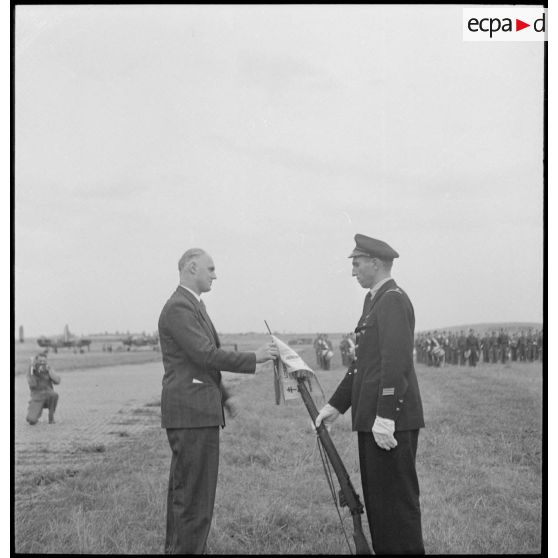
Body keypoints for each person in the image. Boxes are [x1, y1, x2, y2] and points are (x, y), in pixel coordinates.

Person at [158, 248, 278, 554]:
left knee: (189, 494)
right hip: (191, 414)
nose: (215, 274)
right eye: (210, 269)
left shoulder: (193, 306)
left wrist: (225, 398)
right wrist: (255, 358)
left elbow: (203, 365)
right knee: (193, 498)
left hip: (198, 411)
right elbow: (205, 355)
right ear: (191, 268)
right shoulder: (179, 308)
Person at [315, 234, 425, 555]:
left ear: (376, 264)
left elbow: (396, 363)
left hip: (389, 423)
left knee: (397, 508)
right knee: (379, 505)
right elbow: (361, 366)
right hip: (373, 421)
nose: (353, 272)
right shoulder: (374, 300)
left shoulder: (393, 299)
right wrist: (335, 406)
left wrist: (386, 416)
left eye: (357, 263)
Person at [26, 351, 60, 425]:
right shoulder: (32, 370)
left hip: (48, 394)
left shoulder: (48, 368)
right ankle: (34, 412)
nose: (42, 363)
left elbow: (57, 381)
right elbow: (32, 384)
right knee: (31, 420)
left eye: (44, 361)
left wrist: (50, 372)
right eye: (40, 361)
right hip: (37, 396)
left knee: (54, 395)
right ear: (36, 361)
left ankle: (51, 417)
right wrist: (33, 371)